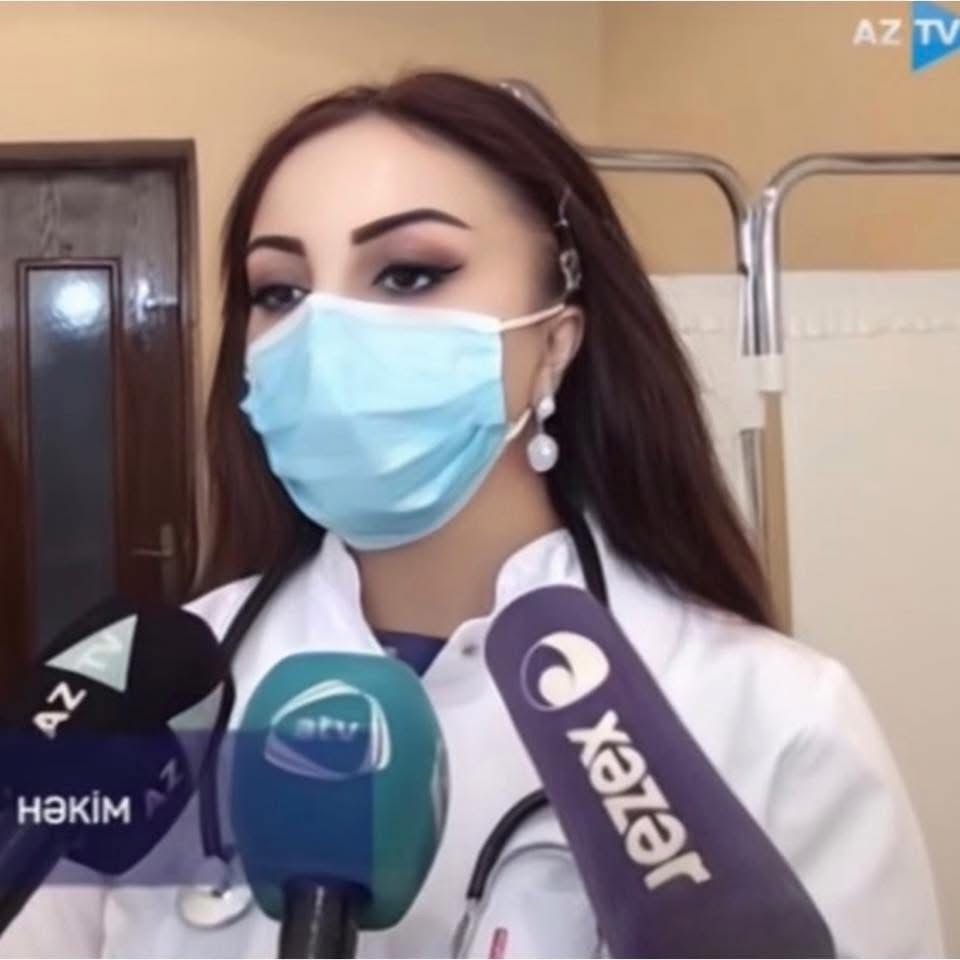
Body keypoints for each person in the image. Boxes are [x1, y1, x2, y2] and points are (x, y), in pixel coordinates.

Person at [0, 69, 944, 958]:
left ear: (557, 341)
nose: (325, 335)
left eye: (409, 274)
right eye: (279, 291)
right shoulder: (141, 704)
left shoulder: (770, 717)